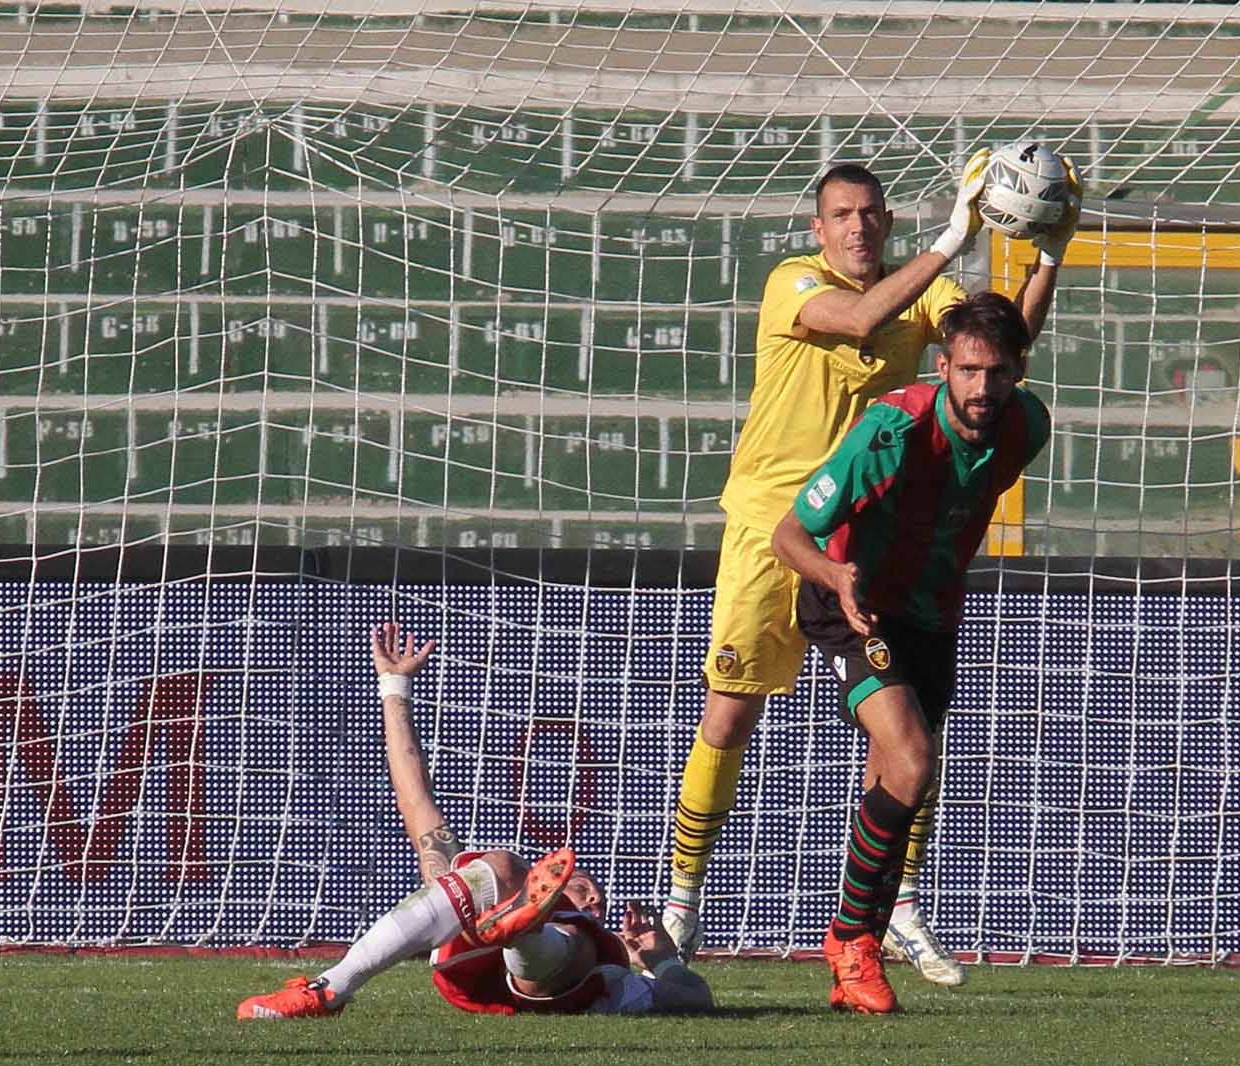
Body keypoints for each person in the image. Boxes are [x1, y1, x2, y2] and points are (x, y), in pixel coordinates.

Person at [665, 153, 1080, 984]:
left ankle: (895, 907)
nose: (858, 226)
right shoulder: (793, 282)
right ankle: (682, 899)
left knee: (903, 739)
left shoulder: (922, 290)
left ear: (889, 223)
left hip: (870, 536)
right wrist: (957, 237)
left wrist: (1048, 257)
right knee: (730, 714)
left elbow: (997, 346)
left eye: (871, 213)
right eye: (842, 215)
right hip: (771, 527)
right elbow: (857, 321)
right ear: (818, 230)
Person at [769, 291, 1052, 1014]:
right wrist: (836, 576)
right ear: (943, 366)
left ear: (1017, 370)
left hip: (930, 619)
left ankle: (852, 958)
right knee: (915, 758)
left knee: (899, 776)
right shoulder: (891, 430)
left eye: (996, 372)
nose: (981, 387)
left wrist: (1049, 254)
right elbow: (789, 535)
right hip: (851, 603)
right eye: (967, 370)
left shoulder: (1025, 424)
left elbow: (1010, 339)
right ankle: (851, 942)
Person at [238, 623, 714, 1019]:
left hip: (568, 982)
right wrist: (394, 687)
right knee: (500, 869)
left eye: (596, 901)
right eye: (579, 885)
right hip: (482, 967)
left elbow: (696, 999)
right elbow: (415, 797)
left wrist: (659, 960)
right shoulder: (472, 886)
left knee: (559, 923)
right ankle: (516, 926)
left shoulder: (611, 971)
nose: (595, 898)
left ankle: (335, 987)